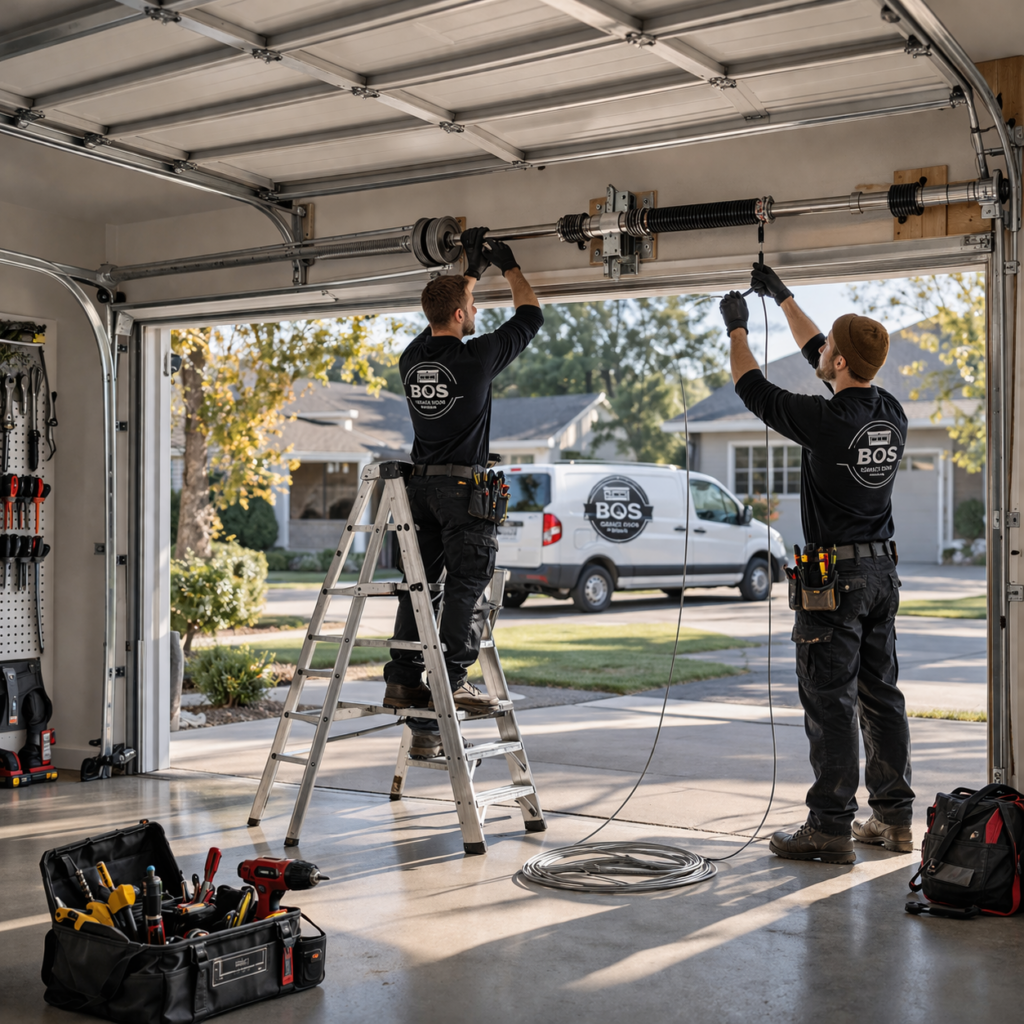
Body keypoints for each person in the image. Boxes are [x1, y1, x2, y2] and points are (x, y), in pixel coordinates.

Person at [719, 263, 914, 864]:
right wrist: (784, 298)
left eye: (828, 347)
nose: (820, 350)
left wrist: (736, 331)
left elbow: (752, 388)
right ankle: (894, 821)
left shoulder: (826, 424)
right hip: (882, 572)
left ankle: (829, 829)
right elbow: (819, 353)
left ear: (839, 365)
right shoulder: (889, 412)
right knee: (882, 696)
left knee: (829, 699)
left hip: (836, 582)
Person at [382, 228, 543, 758]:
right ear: (459, 316)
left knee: (418, 585)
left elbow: (442, 314)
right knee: (469, 581)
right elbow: (530, 317)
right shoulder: (478, 358)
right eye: (472, 304)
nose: (475, 310)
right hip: (461, 489)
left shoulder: (411, 360)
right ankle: (450, 679)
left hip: (419, 490)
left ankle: (404, 678)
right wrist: (510, 266)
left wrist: (469, 272)